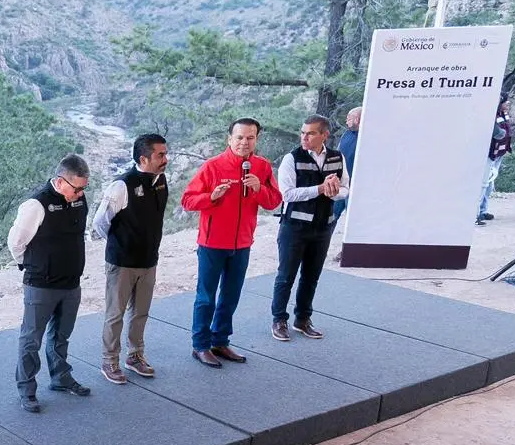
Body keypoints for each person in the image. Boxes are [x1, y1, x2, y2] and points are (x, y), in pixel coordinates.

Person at [180, 118, 282, 368]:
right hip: (212, 243)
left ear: (256, 139)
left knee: (231, 295)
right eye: (239, 137)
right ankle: (201, 345)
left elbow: (273, 202)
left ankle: (220, 340)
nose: (244, 142)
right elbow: (187, 200)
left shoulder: (262, 166)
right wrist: (211, 197)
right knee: (206, 297)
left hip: (242, 244)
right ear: (229, 139)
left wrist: (259, 188)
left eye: (250, 137)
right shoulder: (213, 166)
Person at [8, 153, 93, 413]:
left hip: (71, 283)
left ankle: (60, 378)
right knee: (31, 339)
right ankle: (27, 389)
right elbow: (16, 243)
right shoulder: (35, 205)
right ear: (59, 182)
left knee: (61, 336)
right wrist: (35, 265)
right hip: (41, 285)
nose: (80, 194)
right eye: (76, 188)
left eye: (84, 188)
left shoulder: (78, 199)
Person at [91, 134, 168, 384]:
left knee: (141, 313)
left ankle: (135, 356)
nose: (165, 159)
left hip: (149, 261)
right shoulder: (121, 186)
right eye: (160, 155)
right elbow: (100, 223)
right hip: (122, 263)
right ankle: (109, 361)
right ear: (143, 158)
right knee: (115, 314)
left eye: (165, 154)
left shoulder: (161, 180)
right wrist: (119, 246)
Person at [271, 115, 349, 342]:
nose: (304, 137)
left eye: (311, 133)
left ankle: (303, 319)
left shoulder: (338, 156)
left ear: (324, 135)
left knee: (311, 276)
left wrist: (335, 191)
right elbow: (286, 194)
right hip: (294, 227)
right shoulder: (291, 159)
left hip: (324, 226)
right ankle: (279, 320)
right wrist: (319, 189)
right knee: (286, 276)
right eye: (303, 132)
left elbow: (345, 188)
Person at [477, 95, 513, 225]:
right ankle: (476, 214)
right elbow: (497, 133)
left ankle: (482, 210)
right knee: (483, 183)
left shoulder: (503, 114)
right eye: (505, 102)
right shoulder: (490, 114)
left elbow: (507, 131)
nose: (508, 104)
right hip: (491, 152)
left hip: (499, 152)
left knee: (489, 184)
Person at [332, 106, 361, 222]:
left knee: (352, 220)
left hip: (356, 186)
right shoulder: (346, 134)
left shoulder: (367, 136)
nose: (346, 121)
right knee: (330, 216)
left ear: (357, 119)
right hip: (340, 183)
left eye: (349, 118)